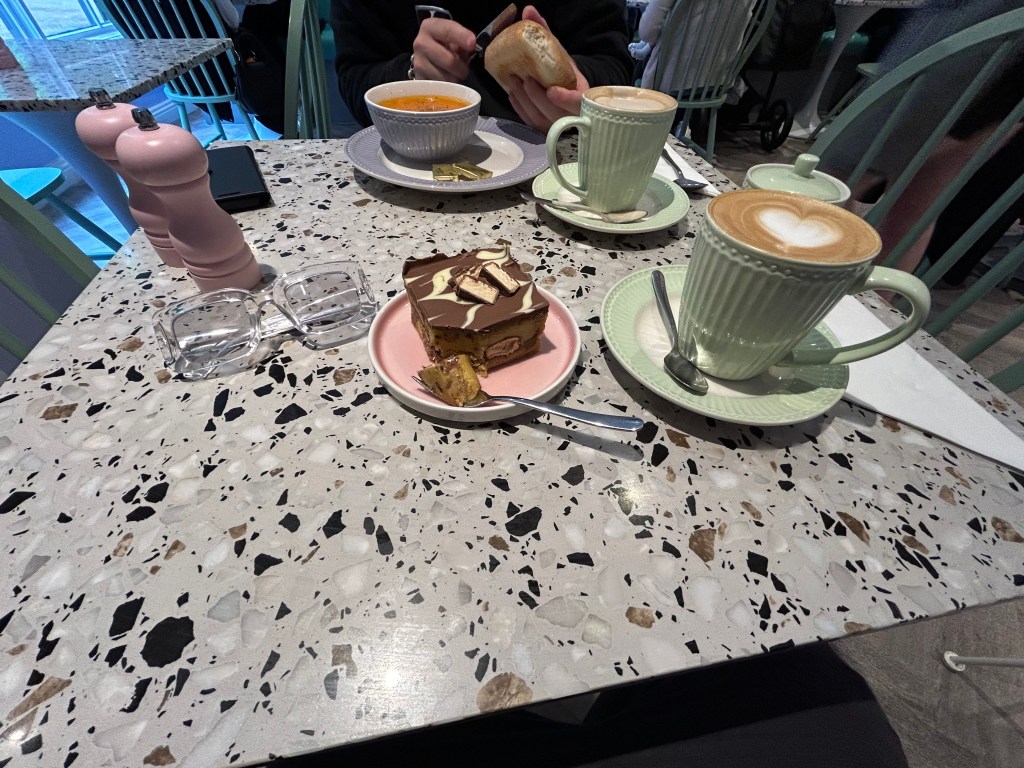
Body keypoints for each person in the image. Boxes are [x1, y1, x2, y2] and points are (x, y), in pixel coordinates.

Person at [329, 1, 634, 132]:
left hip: (560, 162)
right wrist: (410, 76)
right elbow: (355, 77)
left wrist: (582, 96)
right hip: (406, 163)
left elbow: (614, 66)